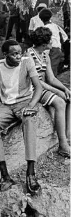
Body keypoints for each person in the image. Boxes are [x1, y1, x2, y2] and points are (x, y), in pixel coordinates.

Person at [0, 40, 43, 194]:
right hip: (7, 106)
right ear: (5, 54)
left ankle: (30, 173)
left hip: (25, 103)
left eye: (19, 52)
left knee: (29, 122)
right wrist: (1, 101)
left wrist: (31, 106)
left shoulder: (27, 62)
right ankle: (5, 176)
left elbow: (38, 87)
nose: (19, 56)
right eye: (14, 54)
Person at [26, 27, 70, 157]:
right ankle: (62, 145)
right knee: (60, 102)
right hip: (33, 88)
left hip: (44, 86)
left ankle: (67, 135)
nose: (52, 42)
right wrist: (56, 91)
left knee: (68, 97)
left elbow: (51, 78)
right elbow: (36, 81)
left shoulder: (45, 55)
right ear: (44, 44)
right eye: (50, 41)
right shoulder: (29, 55)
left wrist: (65, 89)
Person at [39, 8, 68, 76]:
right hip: (58, 49)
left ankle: (52, 84)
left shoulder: (44, 28)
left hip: (52, 50)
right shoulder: (55, 26)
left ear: (41, 19)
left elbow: (45, 42)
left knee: (50, 71)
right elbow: (65, 37)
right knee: (52, 69)